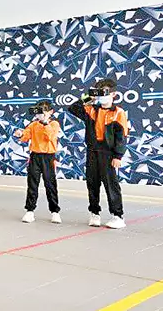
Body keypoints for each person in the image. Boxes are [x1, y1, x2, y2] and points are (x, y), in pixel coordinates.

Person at [68, 78, 129, 229]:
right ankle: (94, 213)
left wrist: (118, 156)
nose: (102, 96)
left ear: (113, 94)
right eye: (99, 93)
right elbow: (73, 108)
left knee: (111, 184)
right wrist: (89, 97)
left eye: (104, 93)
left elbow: (122, 136)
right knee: (92, 183)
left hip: (107, 153)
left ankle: (117, 216)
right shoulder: (91, 110)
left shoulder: (118, 113)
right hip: (92, 151)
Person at [14, 100, 62, 224]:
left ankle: (55, 211)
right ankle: (30, 211)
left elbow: (50, 136)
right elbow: (25, 137)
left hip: (48, 157)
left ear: (51, 112)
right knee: (32, 184)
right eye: (39, 111)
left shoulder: (54, 124)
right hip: (35, 156)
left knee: (50, 184)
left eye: (44, 111)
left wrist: (45, 122)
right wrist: (20, 134)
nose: (40, 114)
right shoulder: (33, 125)